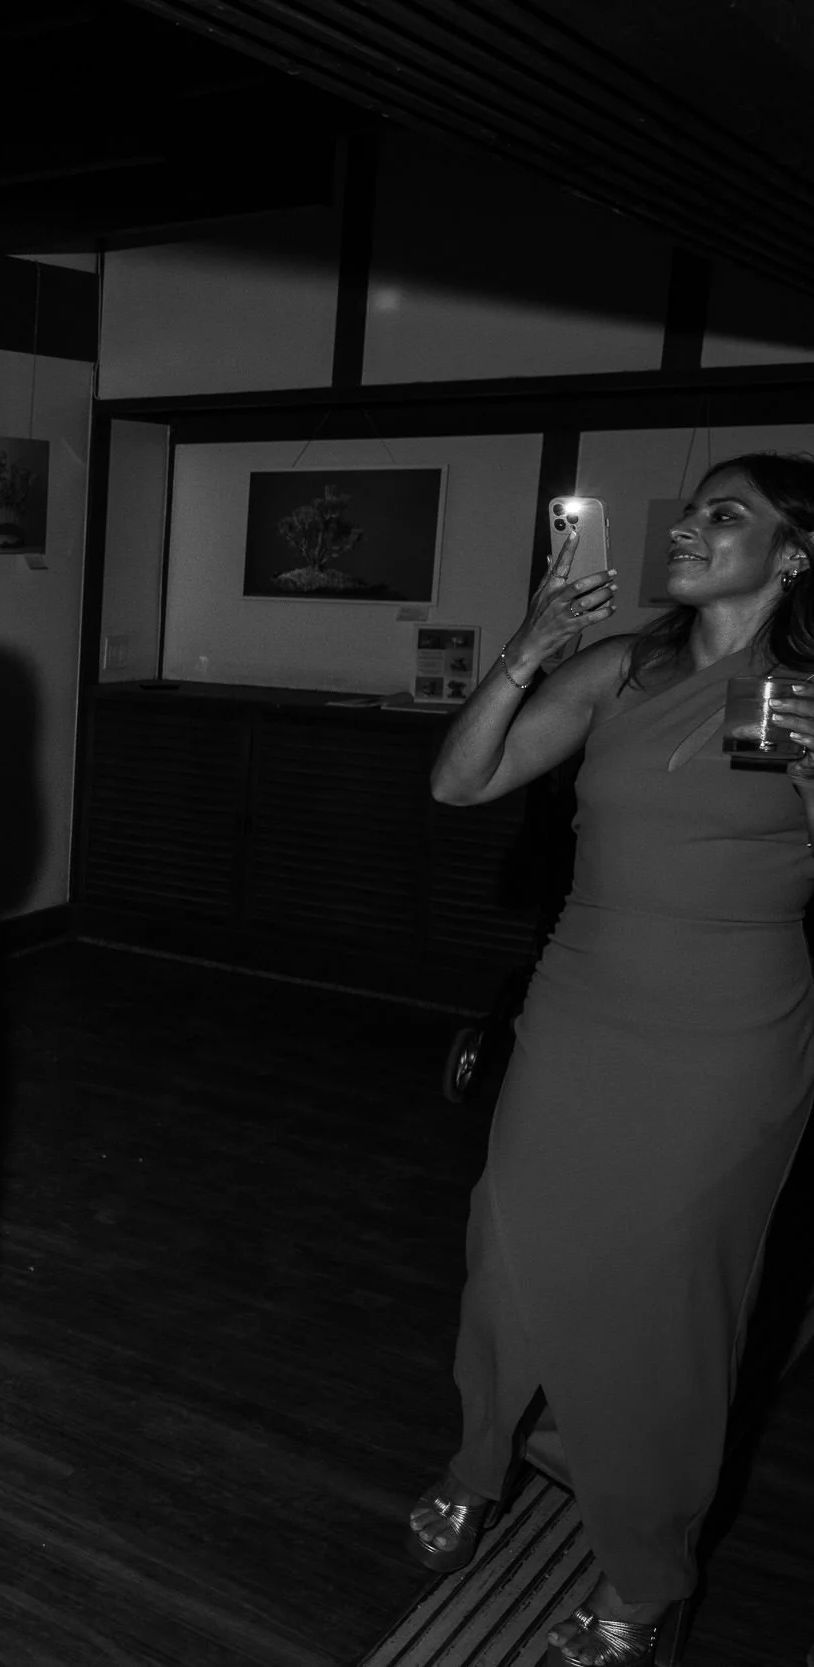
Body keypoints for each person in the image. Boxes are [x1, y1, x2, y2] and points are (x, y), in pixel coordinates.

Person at [415, 454, 814, 1665]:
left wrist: (803, 743)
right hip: (580, 1007)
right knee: (508, 1245)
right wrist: (531, 642)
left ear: (794, 555)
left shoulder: (794, 694)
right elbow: (459, 779)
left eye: (724, 515)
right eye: (692, 508)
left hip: (726, 1037)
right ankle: (481, 1462)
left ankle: (645, 1569)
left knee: (664, 1304)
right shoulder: (623, 669)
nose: (689, 527)